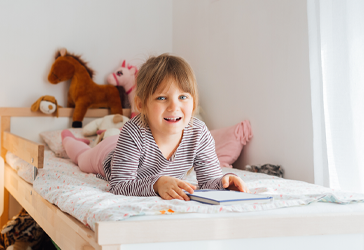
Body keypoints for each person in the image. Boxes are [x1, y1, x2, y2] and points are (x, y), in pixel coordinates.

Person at [61, 53, 247, 200]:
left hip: (129, 147)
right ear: (141, 105)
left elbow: (208, 182)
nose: (174, 107)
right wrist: (156, 184)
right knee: (81, 157)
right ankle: (68, 138)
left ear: (194, 101)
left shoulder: (198, 133)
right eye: (161, 98)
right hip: (108, 152)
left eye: (183, 97)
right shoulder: (132, 132)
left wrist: (224, 182)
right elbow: (119, 186)